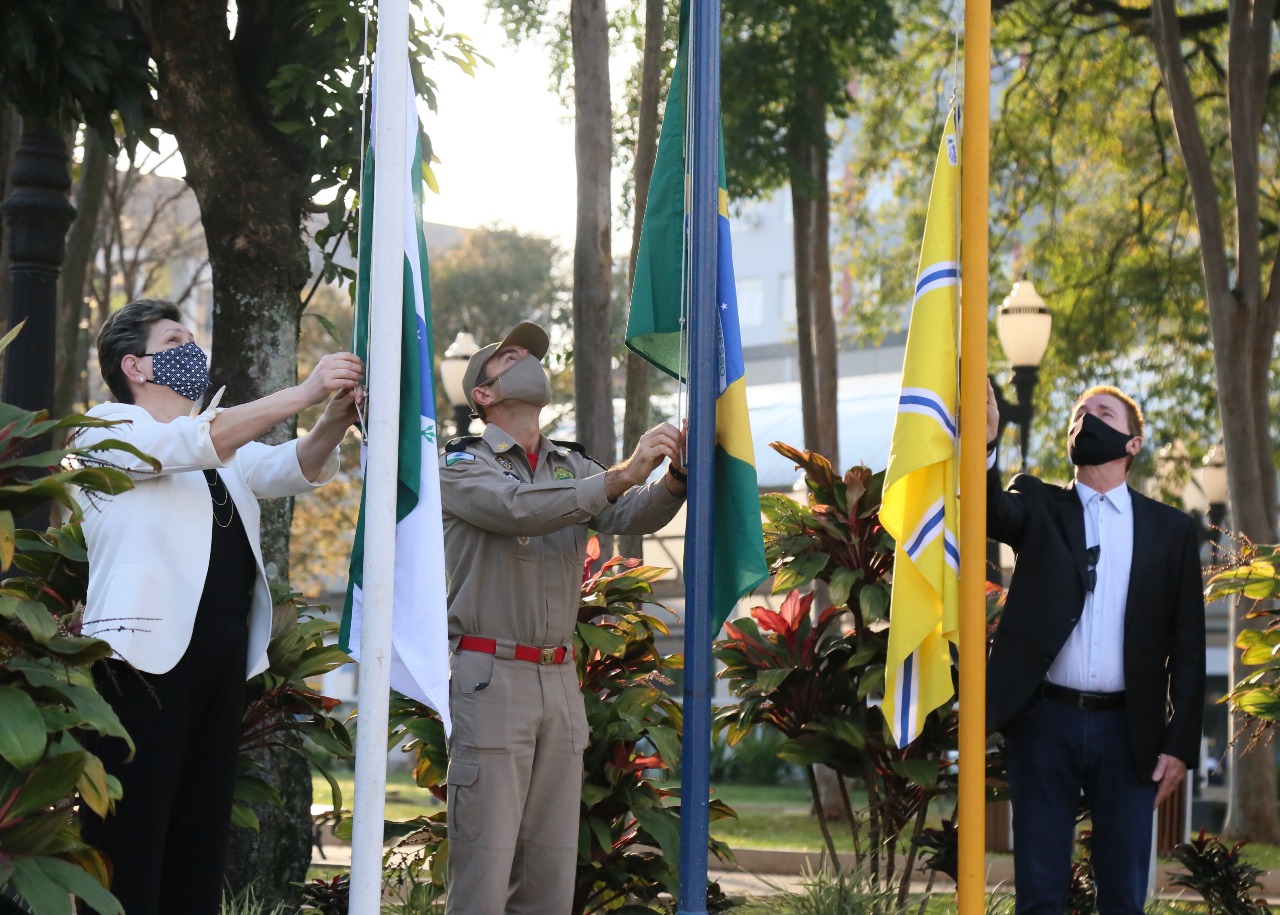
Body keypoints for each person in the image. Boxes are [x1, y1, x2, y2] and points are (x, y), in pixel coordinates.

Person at [75, 298, 363, 915]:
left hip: (216, 666)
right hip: (136, 665)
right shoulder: (104, 429)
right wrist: (305, 389)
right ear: (136, 366)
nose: (192, 350)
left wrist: (333, 419)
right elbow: (192, 442)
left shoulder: (218, 450)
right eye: (175, 340)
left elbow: (291, 465)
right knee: (131, 838)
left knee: (197, 844)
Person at [439, 321, 687, 915]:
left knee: (550, 872)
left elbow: (631, 514)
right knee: (485, 867)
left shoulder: (570, 464)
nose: (530, 360)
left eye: (530, 354)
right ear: (484, 394)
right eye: (512, 356)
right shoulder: (459, 465)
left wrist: (675, 475)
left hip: (558, 677)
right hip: (490, 673)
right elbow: (515, 509)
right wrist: (624, 472)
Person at [985, 380, 1206, 915]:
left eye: (1103, 412)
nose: (1086, 419)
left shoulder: (1170, 530)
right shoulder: (1038, 503)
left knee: (1124, 898)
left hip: (1129, 732)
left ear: (1132, 444)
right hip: (1044, 723)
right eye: (1078, 413)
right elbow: (991, 512)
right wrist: (987, 443)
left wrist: (1179, 745)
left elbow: (1190, 645)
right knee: (1038, 893)